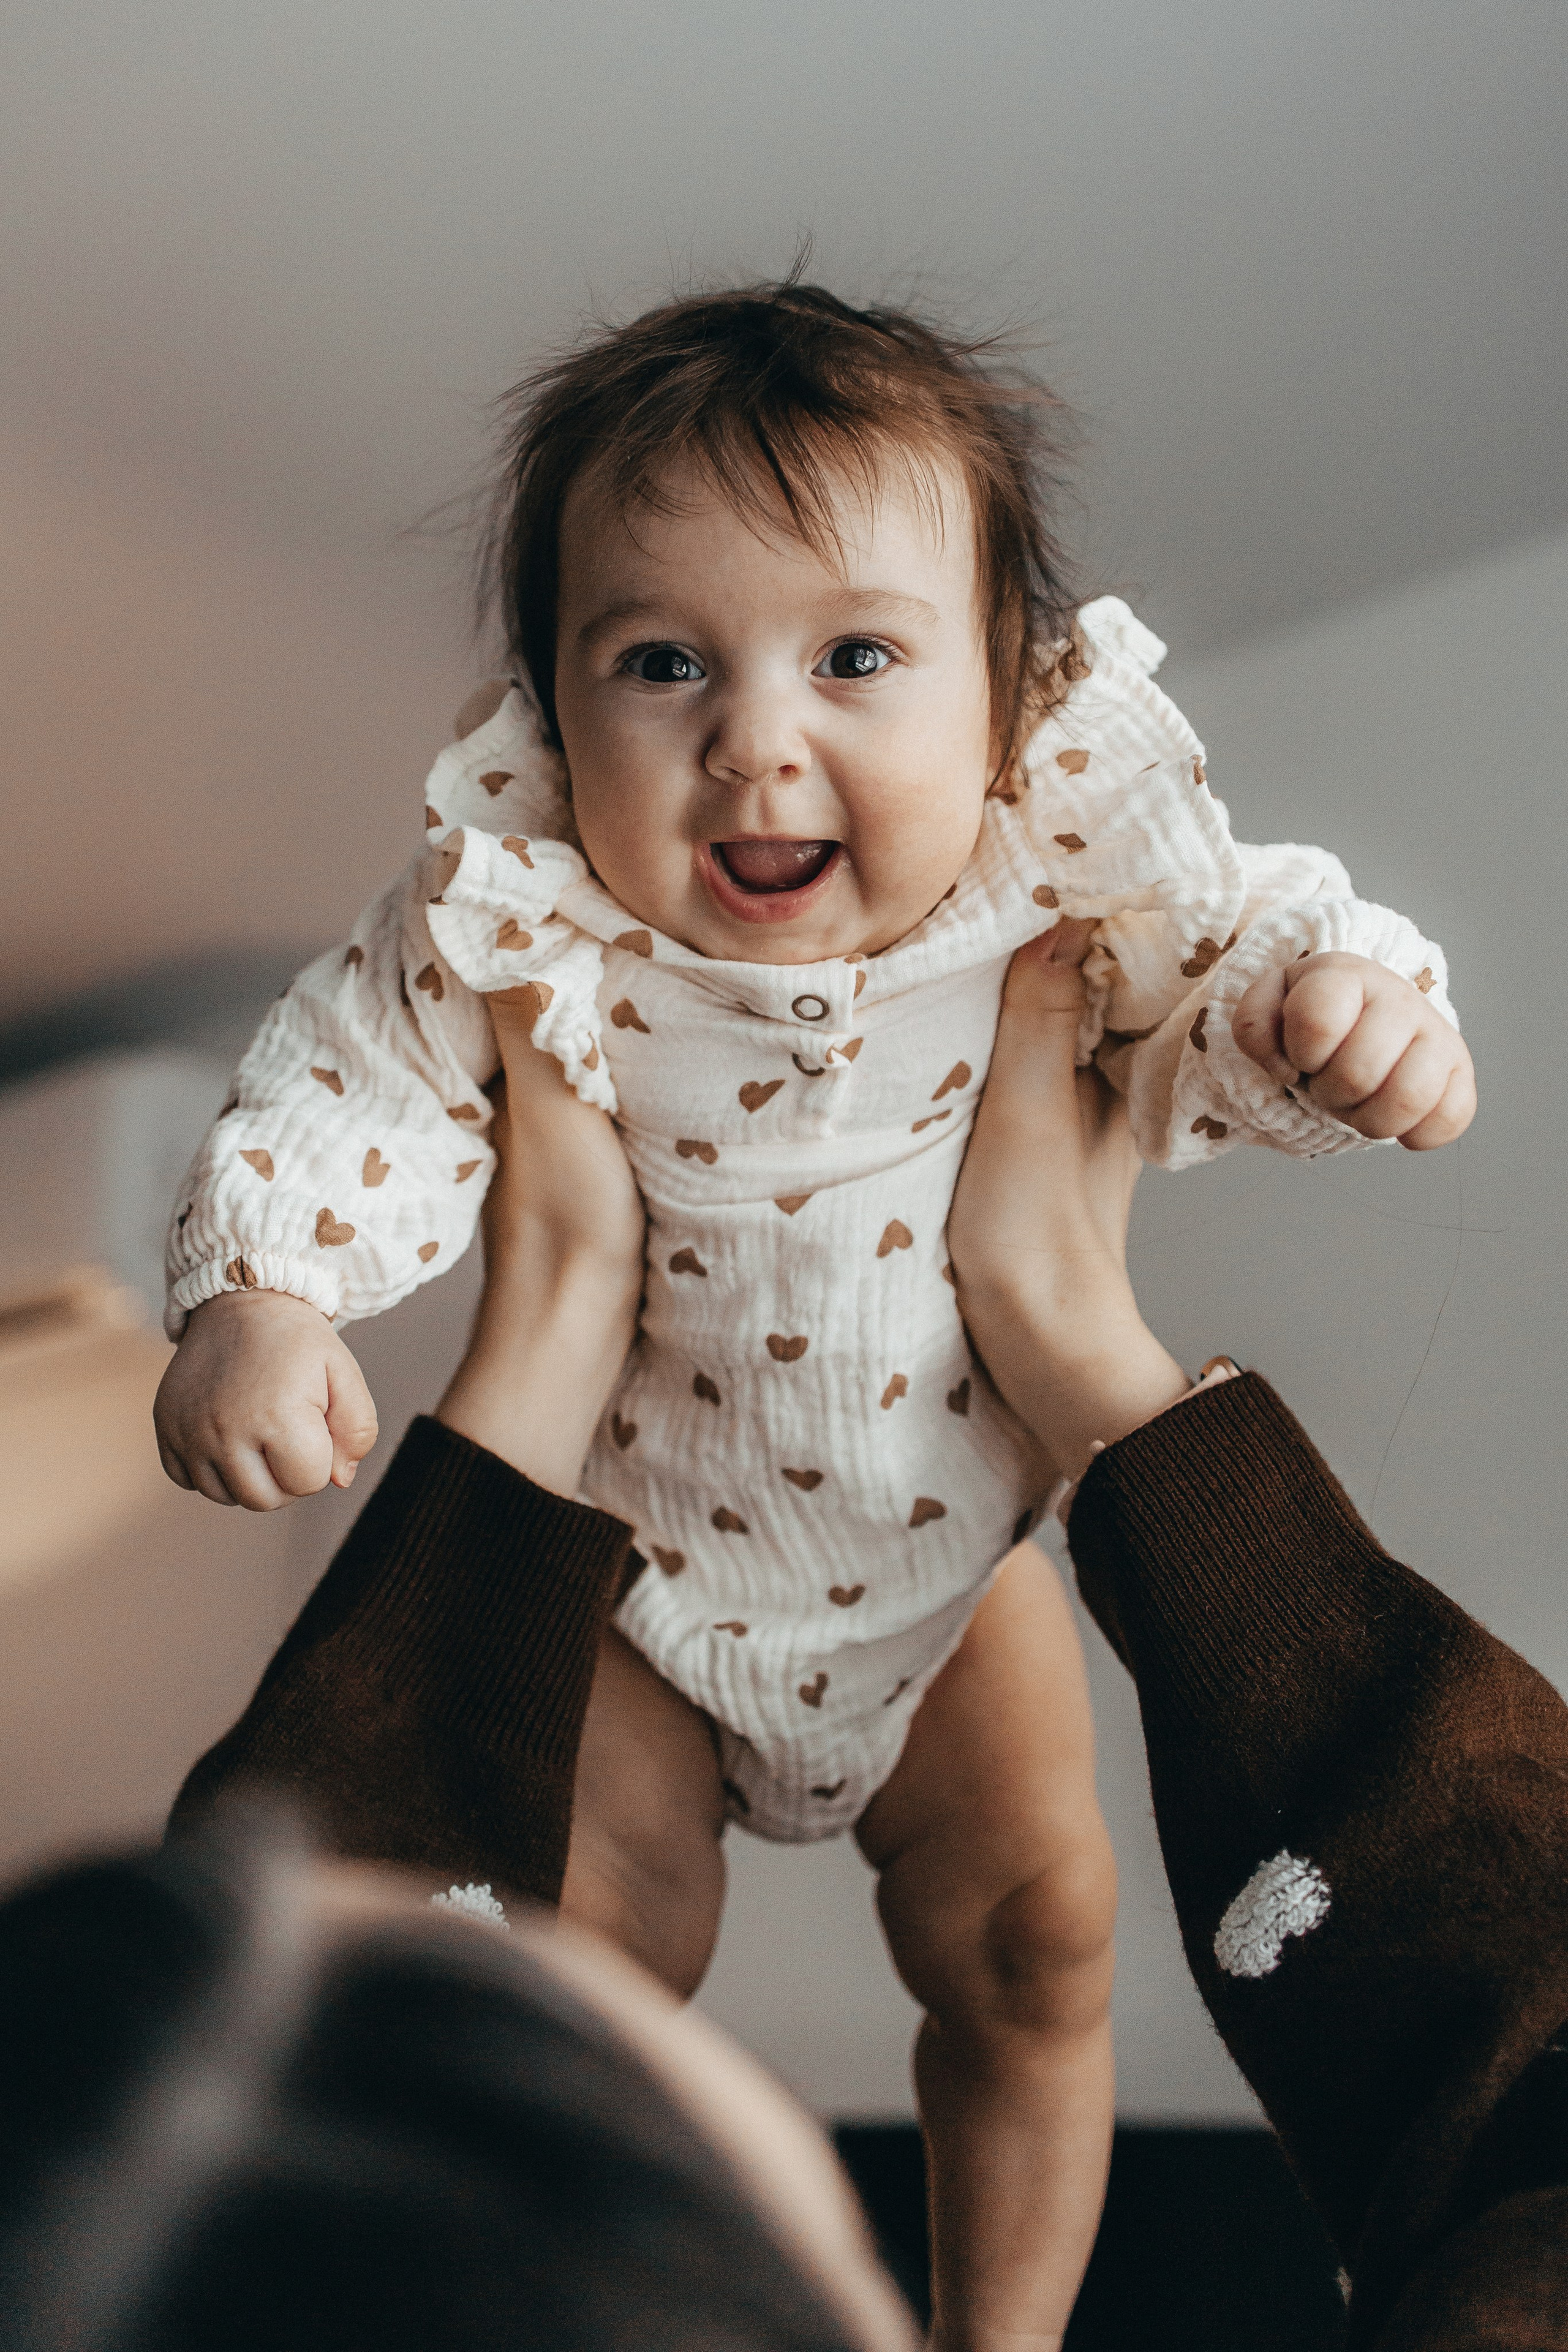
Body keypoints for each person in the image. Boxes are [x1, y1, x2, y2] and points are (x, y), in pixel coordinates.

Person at [153, 281, 1474, 2349]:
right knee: (590, 1970)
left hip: (959, 1581)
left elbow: (1238, 950)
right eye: (660, 662)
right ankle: (619, 2286)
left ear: (1010, 702)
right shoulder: (526, 911)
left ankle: (998, 2337)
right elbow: (354, 1084)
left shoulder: (1056, 877)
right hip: (631, 1593)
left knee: (1042, 1949)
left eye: (857, 654)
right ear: (551, 713)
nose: (756, 735)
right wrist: (267, 1292)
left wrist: (1340, 1021)